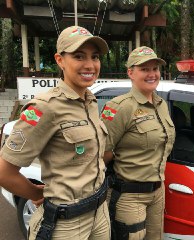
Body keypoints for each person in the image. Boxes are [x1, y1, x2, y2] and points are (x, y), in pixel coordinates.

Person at [0, 26, 111, 240]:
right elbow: (5, 172)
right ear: (60, 60)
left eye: (94, 57)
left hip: (99, 212)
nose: (90, 65)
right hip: (67, 224)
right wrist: (36, 194)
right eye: (79, 56)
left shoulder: (90, 101)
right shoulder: (44, 107)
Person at [101, 46, 175, 240]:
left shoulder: (161, 105)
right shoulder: (119, 107)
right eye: (144, 69)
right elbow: (103, 154)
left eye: (155, 69)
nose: (152, 74)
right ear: (130, 73)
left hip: (157, 193)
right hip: (129, 195)